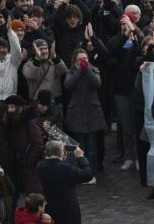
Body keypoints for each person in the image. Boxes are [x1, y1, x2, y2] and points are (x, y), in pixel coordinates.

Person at [63, 49, 104, 179]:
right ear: (75, 60)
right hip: (77, 113)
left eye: (85, 59)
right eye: (80, 59)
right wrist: (81, 70)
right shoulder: (71, 72)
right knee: (80, 146)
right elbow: (68, 85)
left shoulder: (94, 70)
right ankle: (82, 173)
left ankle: (91, 173)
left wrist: (87, 70)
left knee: (92, 147)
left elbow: (97, 84)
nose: (83, 61)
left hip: (92, 113)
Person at [36, 141, 93, 224]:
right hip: (67, 209)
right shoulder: (66, 168)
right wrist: (81, 157)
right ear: (60, 152)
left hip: (49, 207)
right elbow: (88, 175)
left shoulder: (40, 166)